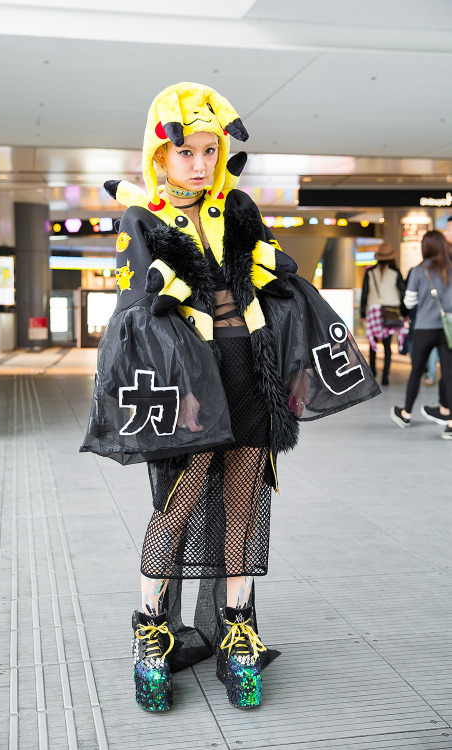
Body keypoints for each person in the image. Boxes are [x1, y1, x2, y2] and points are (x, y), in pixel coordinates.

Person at [80, 82, 380, 712]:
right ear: (160, 155)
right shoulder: (142, 218)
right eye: (186, 150)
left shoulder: (238, 208)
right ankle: (152, 630)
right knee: (176, 504)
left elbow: (275, 284)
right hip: (187, 383)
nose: (199, 162)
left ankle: (237, 625)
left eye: (209, 151)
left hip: (249, 373)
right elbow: (135, 312)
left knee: (245, 502)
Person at [391, 230, 452, 439]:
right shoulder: (450, 268)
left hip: (424, 328)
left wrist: (406, 312)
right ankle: (450, 423)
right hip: (447, 329)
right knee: (449, 373)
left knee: (416, 371)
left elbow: (408, 302)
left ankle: (406, 414)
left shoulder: (418, 271)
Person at [360, 242, 406, 385]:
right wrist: (404, 312)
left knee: (372, 344)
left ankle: (373, 372)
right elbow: (403, 292)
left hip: (373, 310)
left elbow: (365, 293)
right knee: (387, 344)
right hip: (390, 311)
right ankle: (386, 375)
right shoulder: (395, 272)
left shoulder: (370, 272)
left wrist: (362, 313)